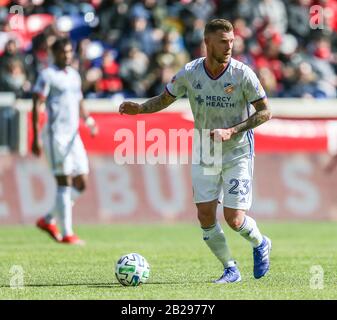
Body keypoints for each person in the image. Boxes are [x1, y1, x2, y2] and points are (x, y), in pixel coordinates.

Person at [119, 19, 272, 283]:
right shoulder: (191, 72)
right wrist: (141, 109)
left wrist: (232, 130)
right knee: (204, 215)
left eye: (232, 41)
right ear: (207, 42)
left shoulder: (242, 73)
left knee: (234, 219)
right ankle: (230, 268)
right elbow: (166, 98)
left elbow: (265, 112)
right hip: (206, 150)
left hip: (237, 151)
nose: (229, 46)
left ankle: (260, 243)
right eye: (223, 41)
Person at [32, 37, 98, 245]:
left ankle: (48, 218)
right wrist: (35, 138)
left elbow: (79, 100)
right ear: (54, 53)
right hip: (55, 135)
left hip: (73, 135)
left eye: (70, 51)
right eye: (63, 52)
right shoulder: (47, 75)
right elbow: (37, 105)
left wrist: (88, 120)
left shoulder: (74, 76)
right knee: (65, 181)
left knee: (82, 182)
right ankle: (67, 233)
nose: (67, 55)